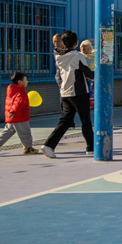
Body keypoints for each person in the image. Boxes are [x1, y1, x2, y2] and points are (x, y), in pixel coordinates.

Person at [41, 30, 94, 159]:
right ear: (76, 43)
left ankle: (48, 145)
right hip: (79, 93)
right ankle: (91, 148)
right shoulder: (78, 56)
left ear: (64, 43)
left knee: (65, 121)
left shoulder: (59, 57)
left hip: (65, 93)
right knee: (85, 120)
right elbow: (89, 73)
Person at [0, 72, 39, 154]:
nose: (27, 81)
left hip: (11, 117)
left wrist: (11, 112)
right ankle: (28, 148)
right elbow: (18, 103)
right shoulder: (21, 92)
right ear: (20, 82)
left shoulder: (12, 90)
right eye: (26, 80)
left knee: (5, 134)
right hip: (20, 117)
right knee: (25, 133)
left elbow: (14, 103)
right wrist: (13, 111)